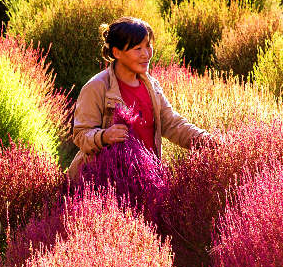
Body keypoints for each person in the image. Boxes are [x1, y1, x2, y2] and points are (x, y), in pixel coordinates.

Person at [68, 16, 216, 180]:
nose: (146, 54)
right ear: (116, 52)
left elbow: (173, 124)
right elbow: (80, 135)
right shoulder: (97, 87)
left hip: (146, 180)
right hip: (104, 183)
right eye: (138, 48)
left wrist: (209, 142)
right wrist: (104, 136)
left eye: (148, 46)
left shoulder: (151, 85)